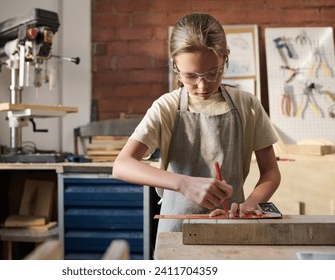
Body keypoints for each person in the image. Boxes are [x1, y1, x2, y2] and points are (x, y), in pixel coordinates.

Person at [112, 12, 281, 233]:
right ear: (175, 66)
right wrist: (184, 183)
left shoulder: (247, 105)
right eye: (191, 76)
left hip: (232, 225)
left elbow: (271, 173)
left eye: (213, 73)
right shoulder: (166, 107)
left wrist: (250, 204)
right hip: (176, 231)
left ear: (225, 60)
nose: (202, 85)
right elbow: (121, 165)